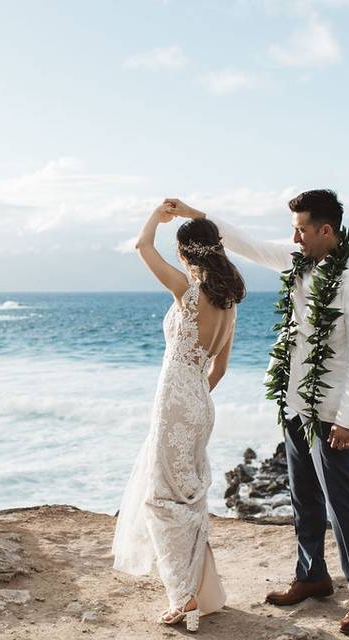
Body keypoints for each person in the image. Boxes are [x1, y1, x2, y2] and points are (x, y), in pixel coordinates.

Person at [165, 190, 349, 635]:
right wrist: (195, 215)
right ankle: (312, 576)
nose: (294, 236)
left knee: (342, 503)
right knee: (304, 495)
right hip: (295, 400)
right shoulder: (298, 259)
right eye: (294, 229)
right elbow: (245, 244)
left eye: (302, 228)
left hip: (330, 408)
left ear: (327, 230)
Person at [111, 202, 246, 632]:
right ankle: (198, 590)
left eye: (181, 253)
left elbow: (141, 245)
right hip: (200, 405)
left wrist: (157, 213)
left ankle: (183, 595)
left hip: (174, 404)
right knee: (187, 497)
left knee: (160, 499)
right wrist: (190, 213)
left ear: (189, 254)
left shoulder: (188, 293)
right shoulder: (229, 304)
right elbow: (218, 370)